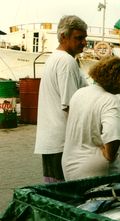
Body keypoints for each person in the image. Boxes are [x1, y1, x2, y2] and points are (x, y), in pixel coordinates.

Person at [34, 15, 88, 183]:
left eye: (85, 38)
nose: (84, 42)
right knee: (66, 197)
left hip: (52, 142)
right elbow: (72, 106)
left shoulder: (55, 58)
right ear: (64, 37)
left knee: (55, 193)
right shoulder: (66, 62)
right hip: (64, 144)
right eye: (79, 38)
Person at [62, 56, 120, 180]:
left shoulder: (79, 93)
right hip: (95, 170)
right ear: (118, 79)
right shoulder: (110, 100)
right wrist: (108, 153)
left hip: (69, 163)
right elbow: (113, 136)